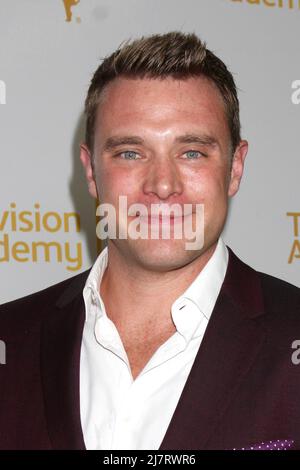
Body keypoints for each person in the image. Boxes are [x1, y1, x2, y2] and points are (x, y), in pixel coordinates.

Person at [0, 31, 300, 451]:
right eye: (130, 153)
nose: (162, 185)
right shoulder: (9, 340)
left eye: (192, 152)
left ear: (235, 168)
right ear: (90, 171)